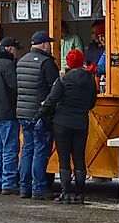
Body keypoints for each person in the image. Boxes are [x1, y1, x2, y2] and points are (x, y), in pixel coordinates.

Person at [41, 48, 99, 204]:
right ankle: (80, 194)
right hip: (81, 122)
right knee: (79, 158)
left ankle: (65, 193)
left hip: (62, 123)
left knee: (64, 159)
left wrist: (39, 114)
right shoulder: (90, 80)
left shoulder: (63, 80)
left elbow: (51, 100)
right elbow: (92, 103)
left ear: (68, 63)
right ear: (82, 62)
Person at [17, 31, 60, 200]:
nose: (50, 46)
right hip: (40, 113)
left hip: (23, 113)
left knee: (27, 149)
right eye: (49, 43)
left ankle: (24, 187)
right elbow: (55, 89)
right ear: (43, 44)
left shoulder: (21, 61)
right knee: (40, 150)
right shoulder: (47, 63)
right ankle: (39, 187)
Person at [0, 36, 20, 195]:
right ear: (9, 48)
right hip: (8, 112)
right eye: (14, 48)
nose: (15, 52)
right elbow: (15, 87)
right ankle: (8, 183)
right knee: (10, 148)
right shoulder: (9, 65)